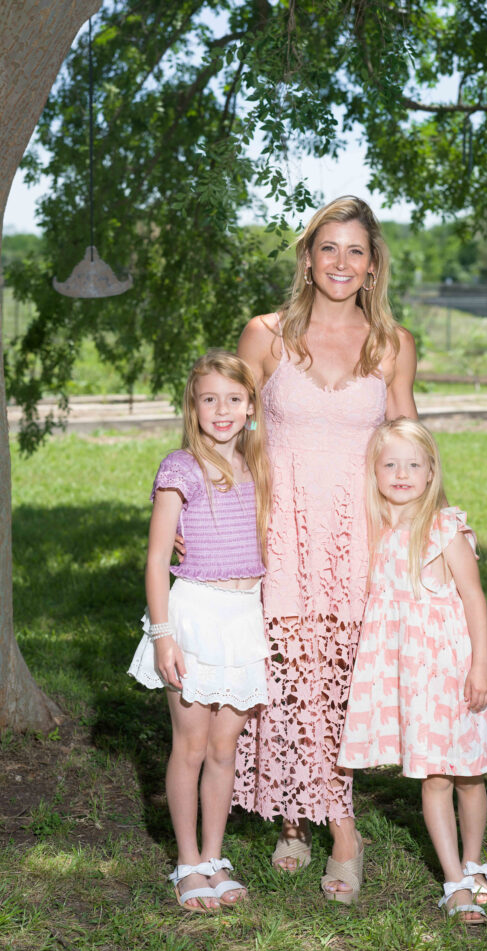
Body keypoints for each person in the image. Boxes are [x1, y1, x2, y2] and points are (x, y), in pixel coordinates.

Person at [232, 196, 418, 903]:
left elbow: (407, 440)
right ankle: (320, 825)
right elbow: (226, 425)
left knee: (335, 690)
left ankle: (324, 818)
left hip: (359, 538)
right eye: (328, 248)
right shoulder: (266, 335)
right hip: (279, 533)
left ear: (373, 266)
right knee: (287, 682)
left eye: (356, 252)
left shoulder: (391, 343)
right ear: (308, 257)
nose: (341, 263)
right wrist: (195, 502)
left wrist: (429, 525)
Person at [337, 419, 487, 922]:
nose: (401, 473)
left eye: (414, 464)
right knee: (433, 776)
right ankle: (454, 882)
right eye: (390, 464)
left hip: (452, 665)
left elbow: (473, 597)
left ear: (431, 472)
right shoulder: (372, 526)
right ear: (374, 471)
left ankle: (474, 863)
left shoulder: (444, 527)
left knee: (470, 774)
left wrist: (479, 667)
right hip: (410, 674)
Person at [128, 351, 271, 913]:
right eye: (209, 399)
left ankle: (215, 855)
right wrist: (164, 635)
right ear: (193, 406)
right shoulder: (180, 468)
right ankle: (187, 862)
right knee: (189, 747)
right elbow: (158, 556)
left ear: (251, 407)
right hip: (193, 616)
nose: (222, 410)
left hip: (244, 619)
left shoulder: (259, 466)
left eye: (234, 399)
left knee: (223, 748)